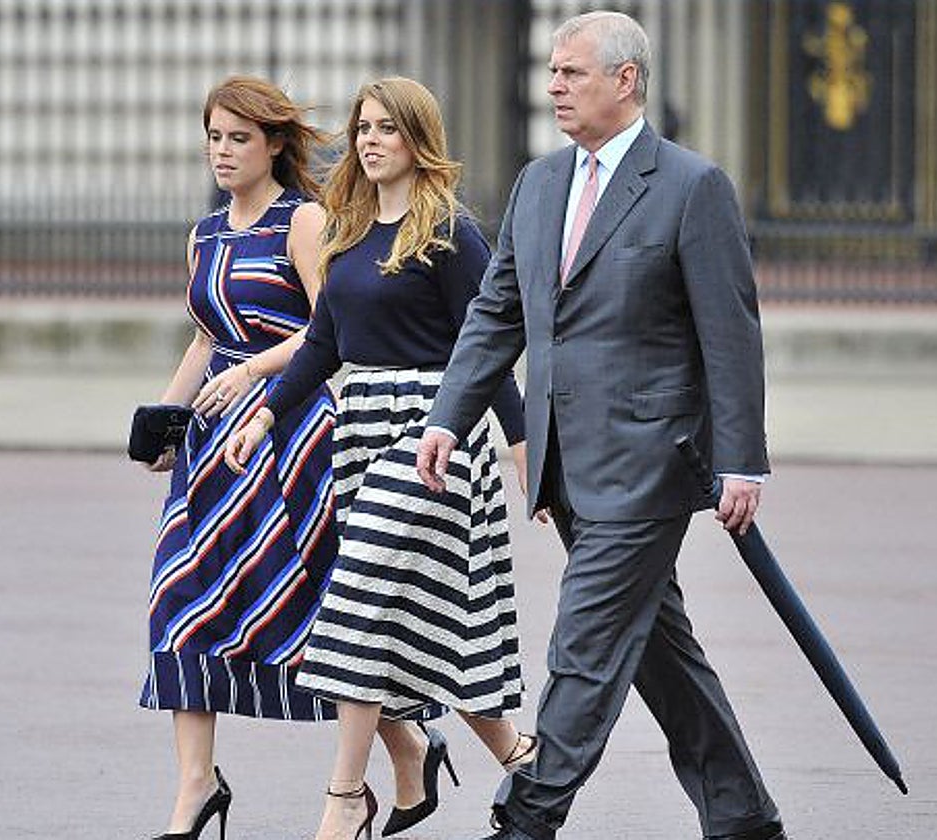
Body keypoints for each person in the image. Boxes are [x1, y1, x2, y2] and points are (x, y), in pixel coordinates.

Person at [416, 12, 787, 840]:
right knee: (657, 648)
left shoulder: (692, 186)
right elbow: (497, 313)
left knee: (583, 645)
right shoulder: (538, 184)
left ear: (626, 80)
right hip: (566, 464)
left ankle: (527, 817)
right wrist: (449, 417)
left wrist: (742, 462)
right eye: (551, 71)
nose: (553, 86)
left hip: (651, 465)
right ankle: (743, 818)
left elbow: (731, 334)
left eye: (571, 73)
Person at [225, 77, 539, 840]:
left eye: (386, 129)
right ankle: (523, 759)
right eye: (363, 128)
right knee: (419, 622)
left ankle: (343, 798)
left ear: (417, 139)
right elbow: (323, 346)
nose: (369, 141)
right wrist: (264, 416)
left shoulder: (450, 234)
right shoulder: (349, 231)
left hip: (435, 435)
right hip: (362, 427)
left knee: (356, 603)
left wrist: (526, 446)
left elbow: (488, 345)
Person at [137, 75, 340, 840]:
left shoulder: (303, 221)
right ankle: (197, 785)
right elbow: (204, 339)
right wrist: (165, 420)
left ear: (274, 144)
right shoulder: (205, 233)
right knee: (180, 598)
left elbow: (328, 331)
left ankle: (405, 745)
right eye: (214, 138)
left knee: (311, 607)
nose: (222, 152)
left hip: (289, 431)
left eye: (238, 139)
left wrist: (254, 372)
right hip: (212, 444)